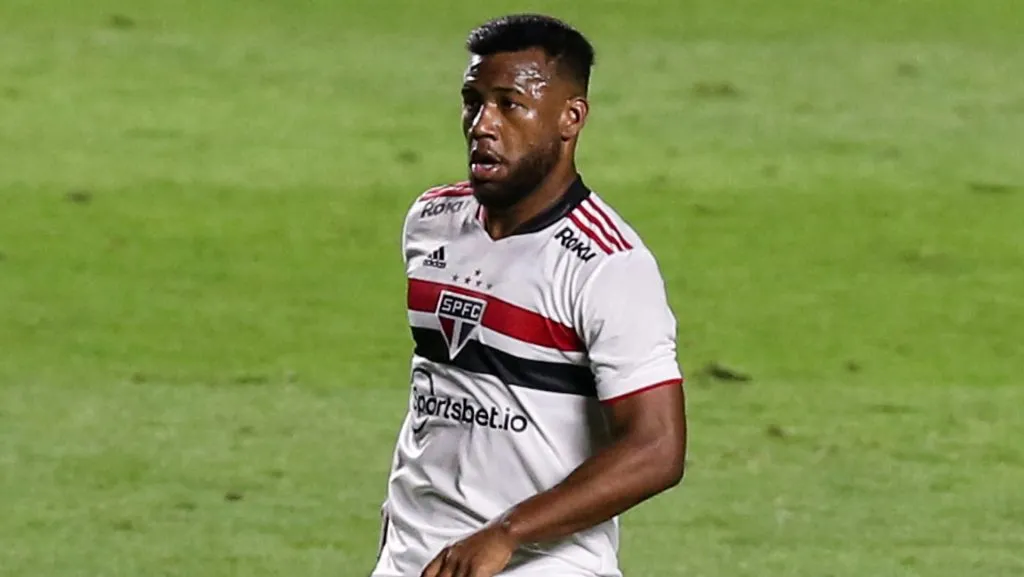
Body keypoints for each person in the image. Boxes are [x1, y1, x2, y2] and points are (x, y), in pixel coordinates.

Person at [371, 13, 687, 577]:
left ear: (570, 118)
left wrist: (506, 534)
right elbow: (441, 395)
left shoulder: (607, 266)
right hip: (417, 561)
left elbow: (657, 448)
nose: (482, 124)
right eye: (473, 101)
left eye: (510, 104)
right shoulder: (432, 221)